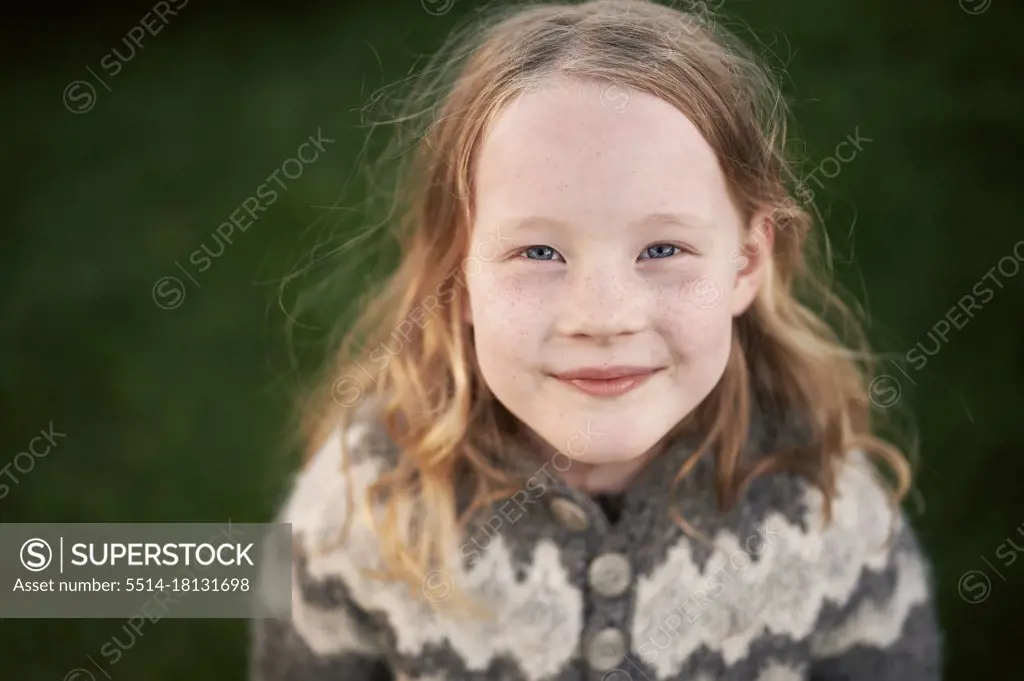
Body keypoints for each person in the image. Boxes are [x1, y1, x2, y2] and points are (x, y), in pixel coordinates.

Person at [250, 1, 942, 679]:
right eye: (540, 253)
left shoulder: (828, 509)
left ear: (747, 263)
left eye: (663, 247)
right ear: (458, 278)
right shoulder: (357, 504)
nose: (604, 316)